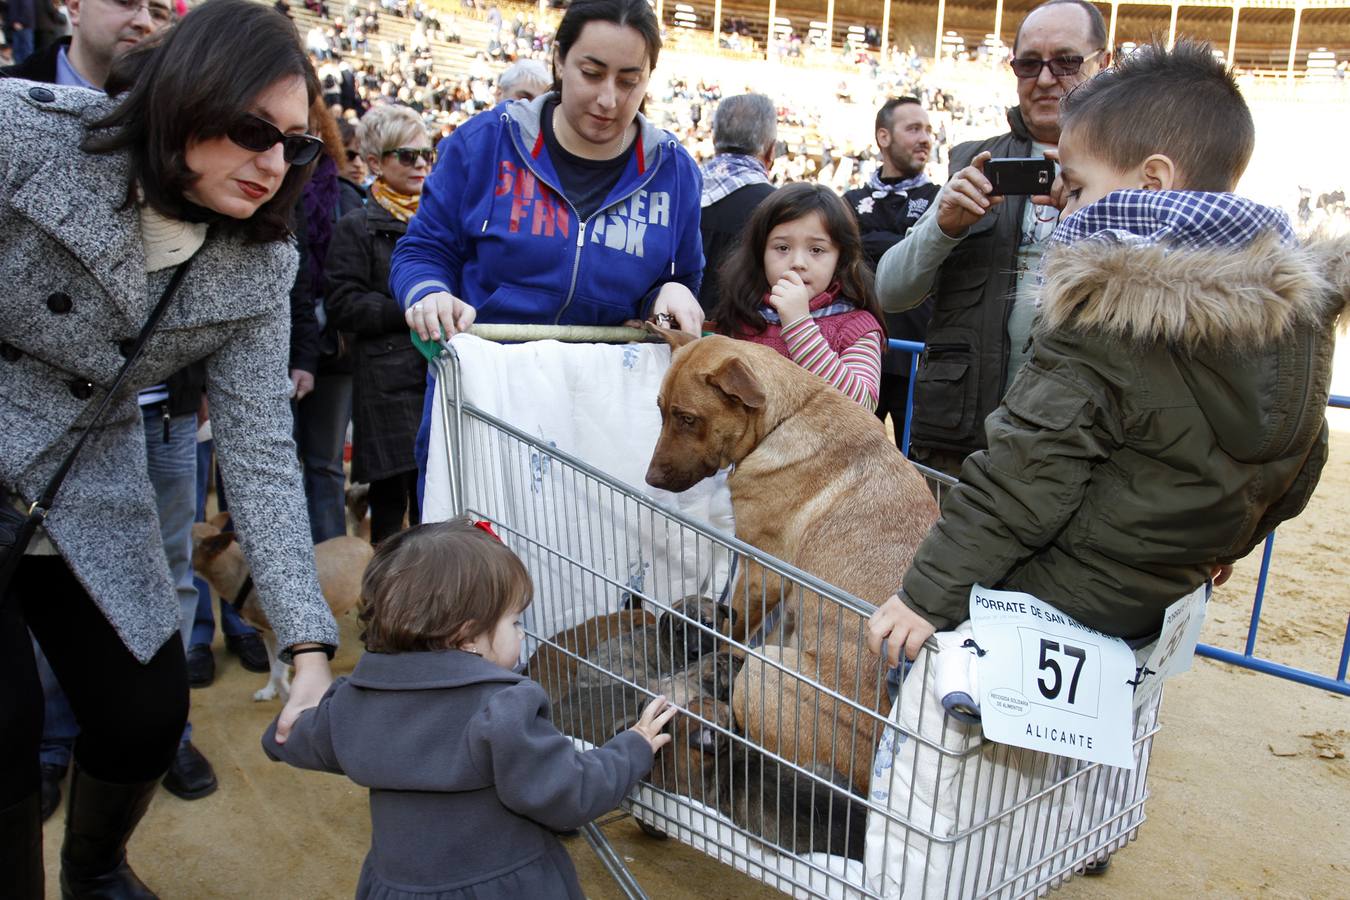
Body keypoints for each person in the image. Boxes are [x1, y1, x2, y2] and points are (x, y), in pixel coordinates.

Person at [866, 43, 1344, 678]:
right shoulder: (1300, 314)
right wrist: (1226, 543)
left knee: (948, 768)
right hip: (1159, 603)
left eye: (1079, 186)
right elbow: (1299, 462)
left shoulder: (1106, 314)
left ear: (1152, 183)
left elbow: (1023, 479)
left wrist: (924, 596)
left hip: (1050, 604)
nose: (1064, 203)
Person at [0, 3, 339, 895]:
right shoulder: (25, 136)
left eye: (296, 145)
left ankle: (98, 868)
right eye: (251, 130)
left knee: (146, 712)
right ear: (187, 98)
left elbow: (263, 450)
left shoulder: (265, 261)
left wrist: (307, 646)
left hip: (86, 489)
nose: (273, 163)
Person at [0, 0, 226, 816]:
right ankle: (48, 750)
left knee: (153, 600)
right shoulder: (16, 110)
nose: (148, 15)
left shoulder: (222, 184)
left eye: (166, 4)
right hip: (18, 444)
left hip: (142, 425)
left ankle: (123, 772)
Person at [262, 518, 677, 898]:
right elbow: (570, 792)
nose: (521, 633)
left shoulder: (353, 701)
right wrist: (632, 747)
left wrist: (286, 730)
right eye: (515, 622)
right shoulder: (503, 709)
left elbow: (294, 736)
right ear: (467, 638)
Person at [394, 0, 705, 498]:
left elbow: (682, 277)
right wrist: (428, 291)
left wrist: (668, 294)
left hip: (600, 420)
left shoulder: (675, 171)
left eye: (629, 80)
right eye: (592, 72)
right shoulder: (484, 144)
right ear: (559, 61)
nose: (608, 99)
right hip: (484, 401)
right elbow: (423, 249)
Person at [873, 0, 1109, 476]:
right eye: (1028, 63)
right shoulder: (974, 163)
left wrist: (1090, 214)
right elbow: (890, 291)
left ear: (1103, 63)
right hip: (960, 446)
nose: (1044, 79)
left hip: (1077, 452)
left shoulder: (1133, 175)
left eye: (1065, 61)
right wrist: (943, 226)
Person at [326, 105, 431, 544]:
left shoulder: (438, 221)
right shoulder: (355, 226)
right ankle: (387, 608)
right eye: (407, 156)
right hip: (386, 382)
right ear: (375, 163)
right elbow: (342, 304)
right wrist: (410, 308)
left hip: (434, 376)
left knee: (434, 504)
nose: (421, 164)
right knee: (390, 512)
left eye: (428, 154)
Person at [711, 182, 885, 410]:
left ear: (841, 258)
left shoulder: (856, 328)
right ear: (760, 252)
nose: (797, 263)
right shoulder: (742, 315)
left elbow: (860, 406)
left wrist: (799, 325)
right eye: (782, 248)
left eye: (817, 250)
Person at [843, 97, 941, 449]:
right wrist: (903, 242)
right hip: (860, 355)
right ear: (883, 137)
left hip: (919, 360)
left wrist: (873, 241)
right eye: (913, 128)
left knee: (914, 469)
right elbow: (844, 258)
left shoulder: (939, 200)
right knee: (850, 462)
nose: (925, 138)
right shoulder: (851, 200)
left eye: (928, 130)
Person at [293, 97, 362, 544]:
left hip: (334, 353)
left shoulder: (347, 198)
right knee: (266, 464)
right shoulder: (276, 194)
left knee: (324, 464)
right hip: (278, 346)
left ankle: (330, 570)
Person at [697, 92, 777, 316]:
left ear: (714, 141)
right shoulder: (777, 208)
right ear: (771, 149)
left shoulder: (679, 189)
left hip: (670, 333)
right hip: (737, 340)